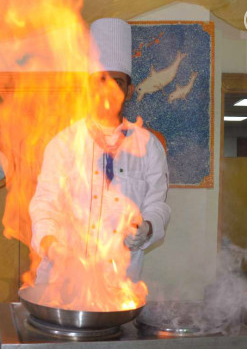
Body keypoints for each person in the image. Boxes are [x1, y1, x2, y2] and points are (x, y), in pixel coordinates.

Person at [29, 18, 171, 285]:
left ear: (129, 91)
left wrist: (147, 227)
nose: (108, 90)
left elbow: (158, 205)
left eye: (117, 82)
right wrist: (51, 245)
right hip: (62, 280)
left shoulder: (148, 145)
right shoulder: (63, 144)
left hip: (119, 283)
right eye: (100, 81)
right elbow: (44, 205)